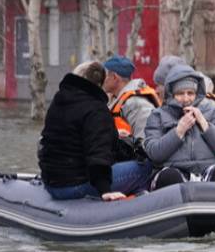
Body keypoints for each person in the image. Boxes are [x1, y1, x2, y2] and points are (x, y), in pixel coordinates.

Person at [38, 61, 152, 201]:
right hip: (76, 186)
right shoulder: (97, 110)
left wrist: (114, 137)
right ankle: (138, 204)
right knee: (145, 168)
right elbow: (98, 153)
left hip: (52, 184)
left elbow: (63, 140)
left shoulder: (59, 101)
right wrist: (104, 189)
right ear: (100, 83)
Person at [143, 62, 215, 189]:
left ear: (197, 94)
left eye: (190, 93)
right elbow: (154, 154)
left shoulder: (213, 111)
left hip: (205, 172)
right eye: (180, 93)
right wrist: (179, 131)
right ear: (171, 94)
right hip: (173, 171)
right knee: (169, 176)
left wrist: (204, 123)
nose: (186, 99)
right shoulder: (157, 116)